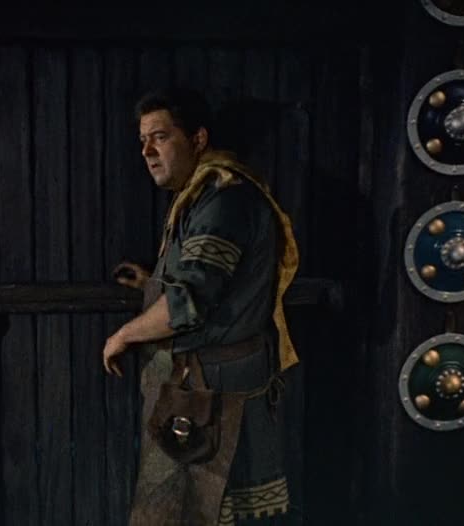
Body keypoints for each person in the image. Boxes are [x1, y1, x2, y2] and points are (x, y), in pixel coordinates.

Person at [102, 88, 299, 525]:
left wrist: (123, 335)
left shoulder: (224, 198)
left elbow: (189, 301)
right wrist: (150, 284)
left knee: (213, 515)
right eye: (143, 141)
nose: (148, 152)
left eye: (160, 137)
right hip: (205, 389)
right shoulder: (203, 194)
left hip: (218, 394)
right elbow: (210, 282)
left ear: (198, 139)